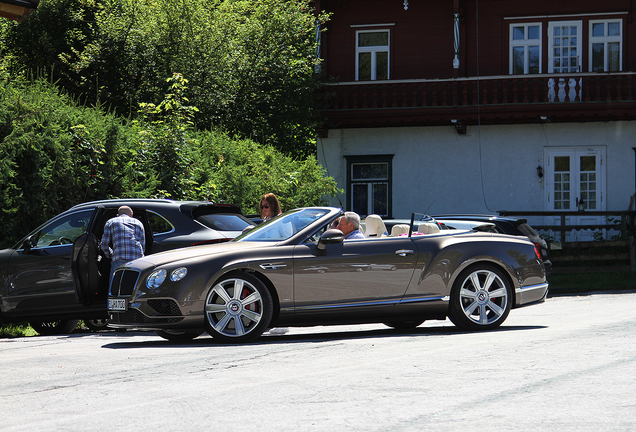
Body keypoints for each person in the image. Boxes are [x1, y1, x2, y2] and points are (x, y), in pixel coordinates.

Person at [100, 206, 146, 279]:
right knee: (134, 282)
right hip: (137, 257)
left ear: (117, 215)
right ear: (131, 215)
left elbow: (104, 245)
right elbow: (142, 245)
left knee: (116, 283)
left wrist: (111, 255)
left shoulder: (111, 222)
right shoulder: (138, 222)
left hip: (119, 257)